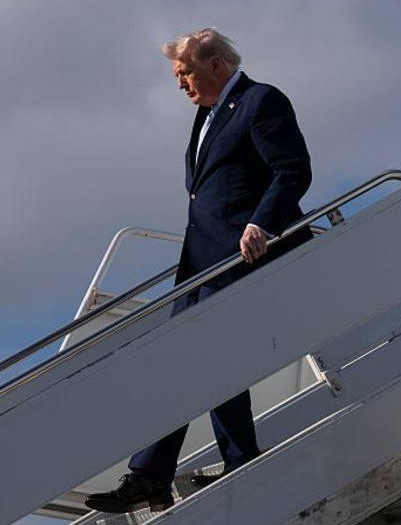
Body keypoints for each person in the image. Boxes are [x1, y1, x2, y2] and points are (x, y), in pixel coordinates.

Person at [84, 28, 313, 514]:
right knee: (192, 360)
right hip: (201, 262)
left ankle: (167, 471)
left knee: (202, 356)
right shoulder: (207, 115)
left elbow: (292, 170)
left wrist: (261, 224)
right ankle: (190, 468)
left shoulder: (260, 101)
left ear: (215, 66)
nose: (179, 84)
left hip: (243, 256)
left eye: (184, 72)